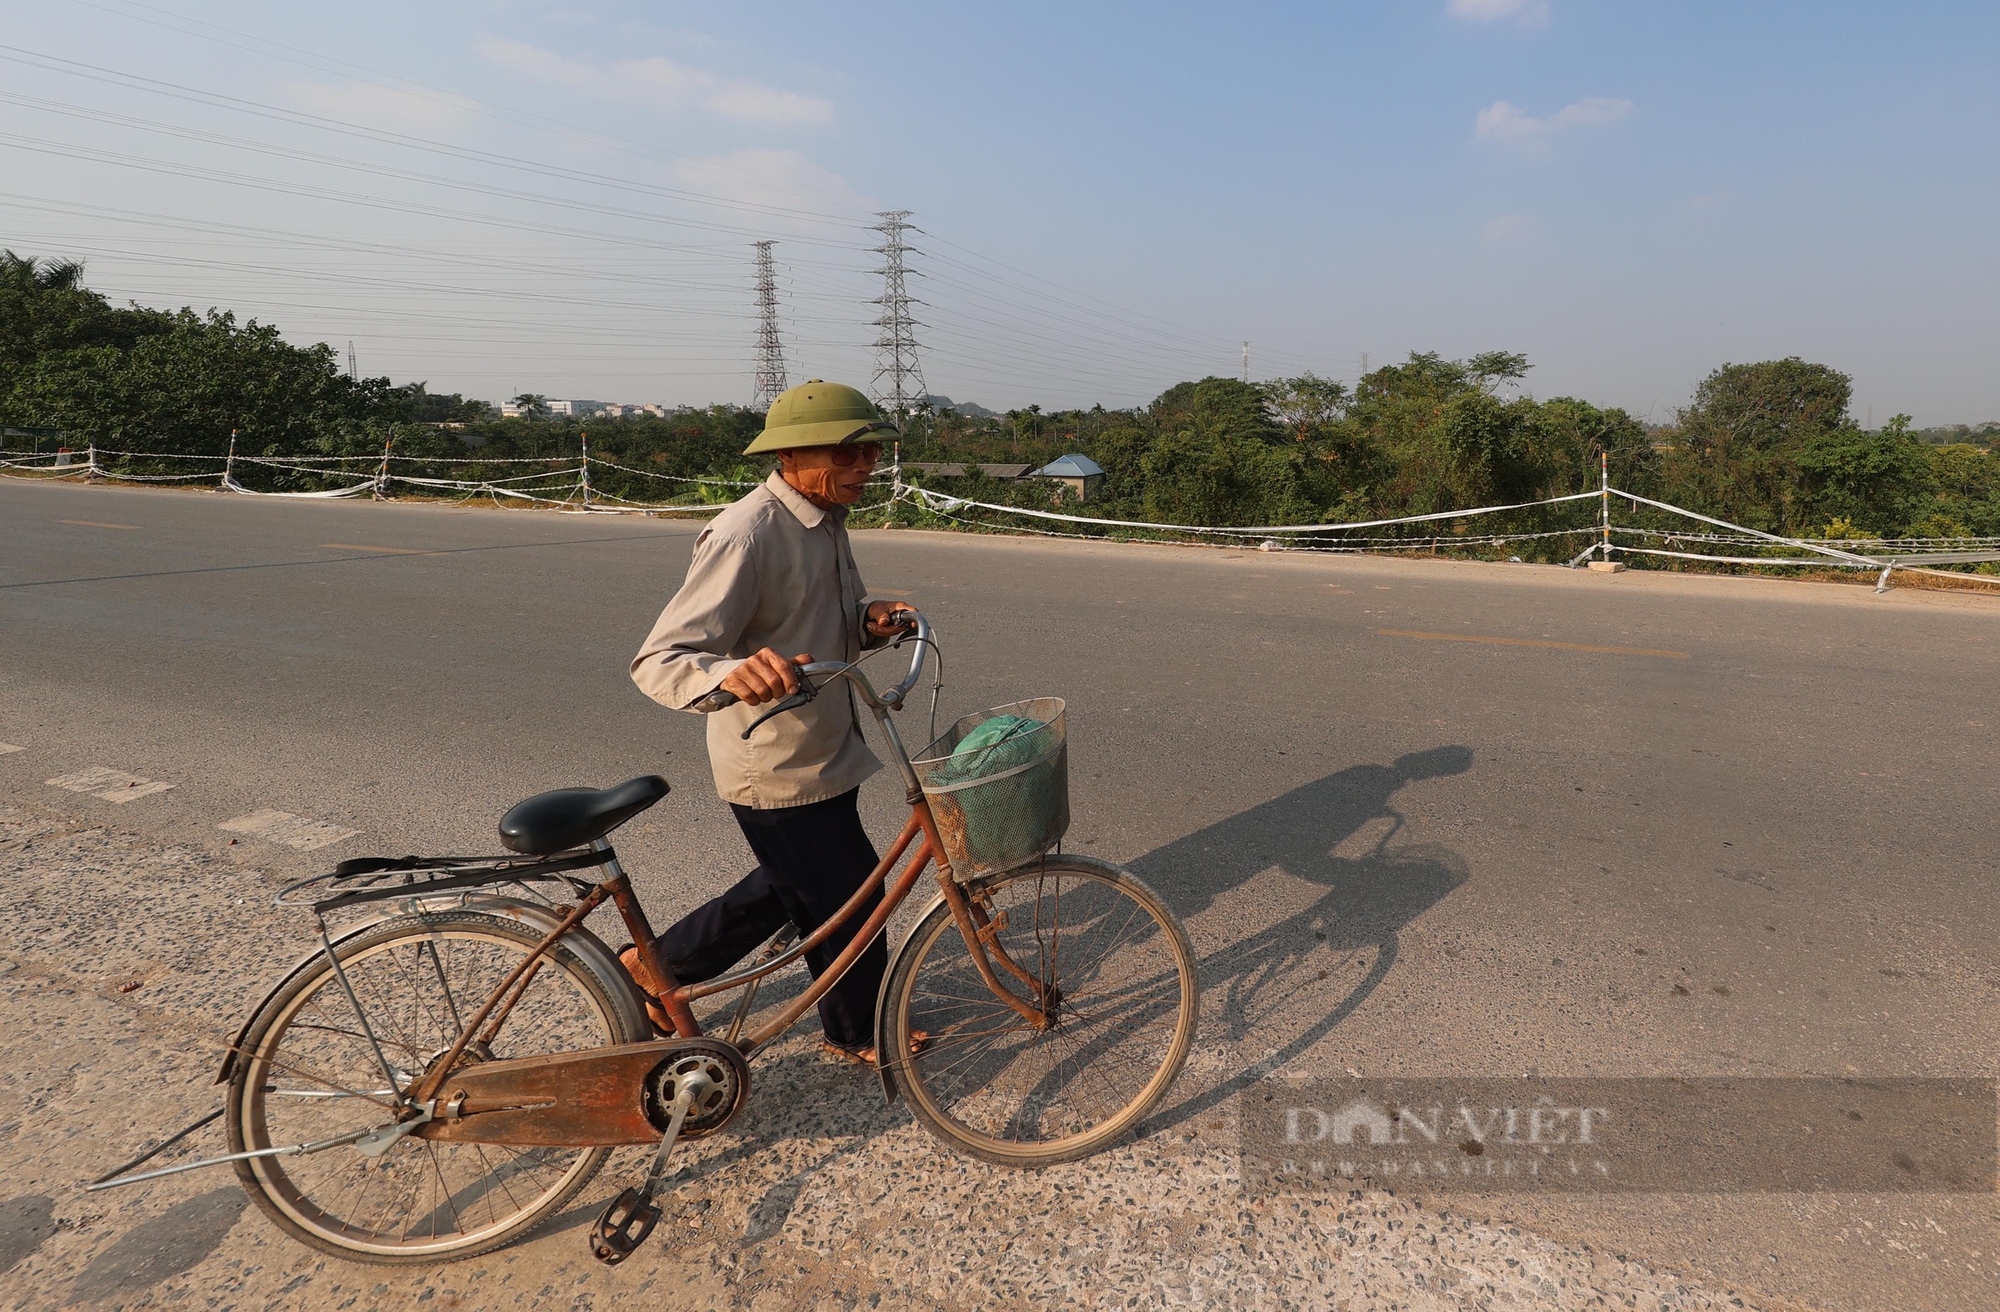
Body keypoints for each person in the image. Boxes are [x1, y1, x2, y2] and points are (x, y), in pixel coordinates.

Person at [626, 380, 916, 1065]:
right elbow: (662, 657)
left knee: (798, 885)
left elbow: (808, 619)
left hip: (825, 743)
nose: (867, 465)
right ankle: (857, 1030)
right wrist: (728, 675)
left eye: (872, 451)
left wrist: (866, 620)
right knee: (847, 895)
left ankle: (655, 968)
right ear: (789, 455)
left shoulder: (824, 515)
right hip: (775, 760)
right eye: (849, 452)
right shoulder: (745, 533)